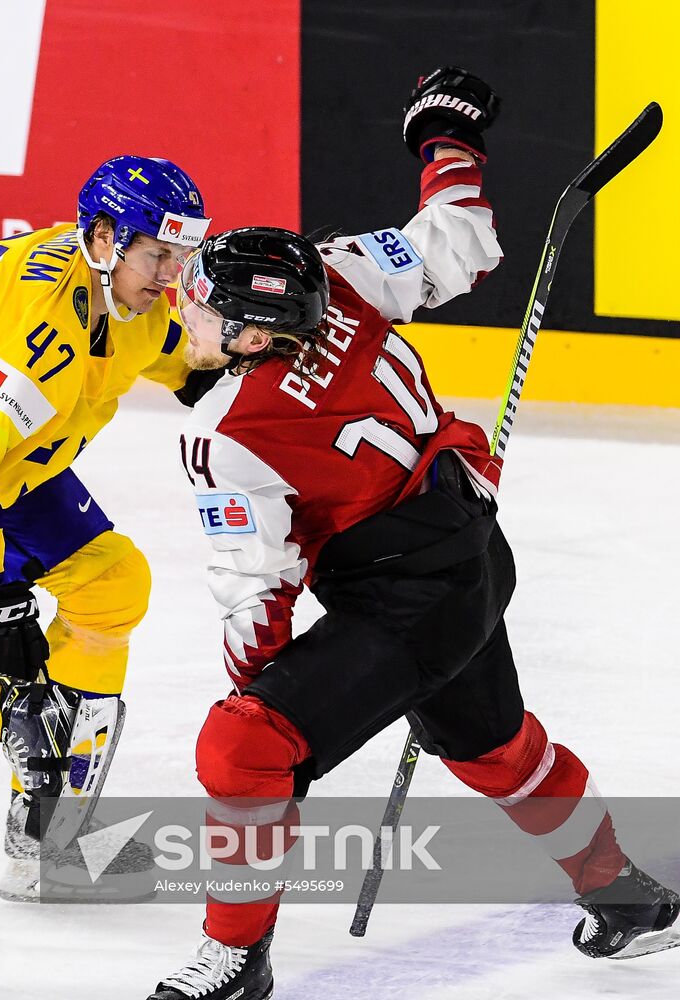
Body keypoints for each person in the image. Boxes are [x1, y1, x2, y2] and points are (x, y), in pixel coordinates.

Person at [147, 68, 679, 999]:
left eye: (201, 306)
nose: (183, 308)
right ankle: (629, 902)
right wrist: (447, 139)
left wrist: (268, 698)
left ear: (253, 337)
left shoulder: (225, 435)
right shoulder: (339, 273)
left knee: (241, 746)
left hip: (404, 597)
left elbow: (256, 593)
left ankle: (237, 959)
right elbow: (458, 240)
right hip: (471, 551)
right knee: (496, 748)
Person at [0, 155, 211, 900]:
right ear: (102, 239)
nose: (170, 273)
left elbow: (183, 357)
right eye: (158, 253)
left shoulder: (129, 301)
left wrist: (267, 352)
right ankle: (15, 719)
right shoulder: (37, 336)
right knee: (7, 653)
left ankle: (51, 848)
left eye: (179, 254)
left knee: (111, 586)